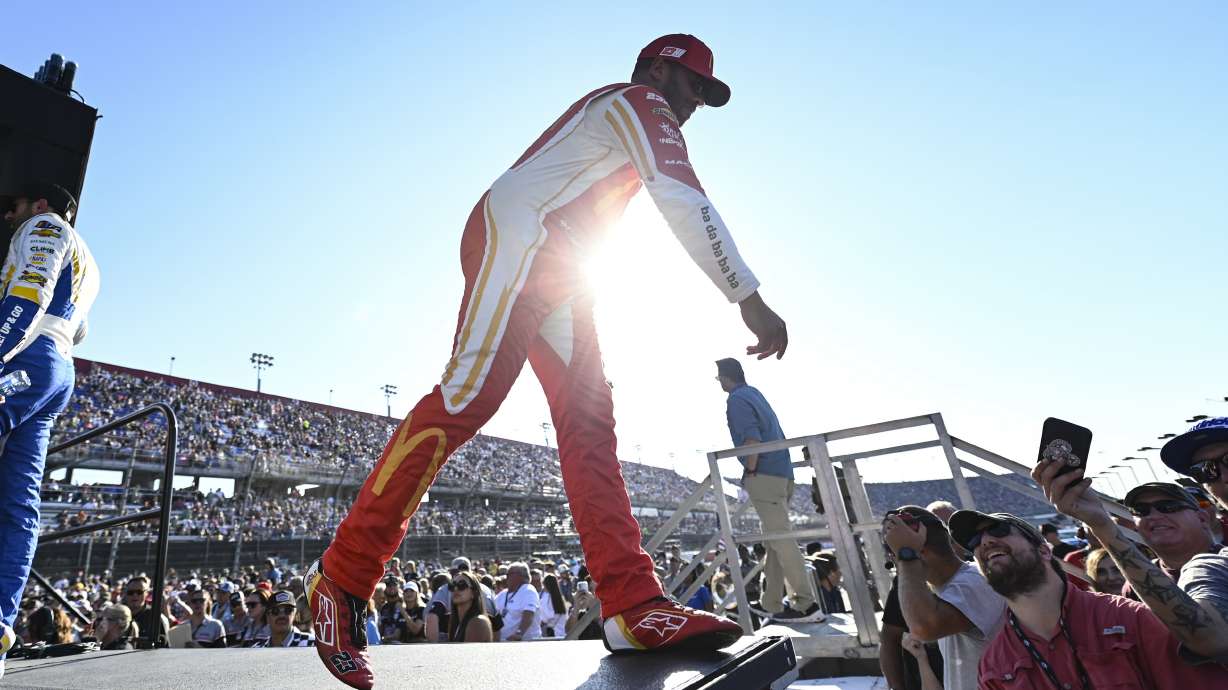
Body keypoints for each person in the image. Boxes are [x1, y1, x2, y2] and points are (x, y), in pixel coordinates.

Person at [305, 32, 779, 687]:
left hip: (558, 257)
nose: (698, 100)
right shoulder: (641, 101)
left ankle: (631, 604)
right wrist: (747, 297)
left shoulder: (637, 111)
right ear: (656, 70)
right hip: (525, 234)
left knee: (590, 419)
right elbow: (681, 194)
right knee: (471, 394)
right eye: (694, 83)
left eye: (707, 91)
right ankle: (343, 579)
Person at [947, 509, 1227, 688]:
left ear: (1044, 551)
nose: (984, 542)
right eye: (974, 543)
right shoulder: (995, 665)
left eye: (998, 531)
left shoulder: (1131, 619)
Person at [0, 181, 100, 672]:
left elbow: (28, 293)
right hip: (60, 367)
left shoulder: (43, 226)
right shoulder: (94, 266)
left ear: (39, 205)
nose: (8, 217)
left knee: (19, 501)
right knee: (20, 500)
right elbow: (79, 330)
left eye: (13, 207)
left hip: (28, 349)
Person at [718, 358, 820, 623]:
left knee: (781, 539)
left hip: (764, 474)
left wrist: (750, 470)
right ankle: (771, 602)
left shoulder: (736, 399)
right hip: (782, 472)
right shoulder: (755, 393)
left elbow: (752, 438)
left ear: (725, 377)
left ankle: (806, 606)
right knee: (773, 540)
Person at [882, 505, 1006, 690]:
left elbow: (924, 628)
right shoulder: (956, 587)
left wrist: (906, 554)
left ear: (921, 552)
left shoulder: (975, 583)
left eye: (895, 559)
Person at [879, 574, 944, 690]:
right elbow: (890, 639)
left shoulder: (970, 577)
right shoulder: (904, 582)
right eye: (891, 555)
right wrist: (896, 686)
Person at [493, 562, 540, 642]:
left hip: (524, 642)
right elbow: (491, 612)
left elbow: (529, 613)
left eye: (509, 573)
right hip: (504, 642)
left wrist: (519, 633)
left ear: (521, 576)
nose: (506, 576)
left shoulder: (528, 590)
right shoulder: (503, 594)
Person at [249, 590, 314, 648]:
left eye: (288, 610)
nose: (282, 615)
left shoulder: (312, 644)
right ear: (267, 617)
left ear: (294, 614)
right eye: (275, 611)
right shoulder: (257, 649)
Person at [123, 576, 169, 648]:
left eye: (139, 592)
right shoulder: (118, 614)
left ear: (146, 594)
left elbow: (163, 645)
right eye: (130, 592)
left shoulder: (154, 617)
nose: (135, 595)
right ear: (125, 594)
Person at [446, 572, 492, 643]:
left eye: (462, 585)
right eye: (452, 585)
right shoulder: (455, 622)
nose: (455, 588)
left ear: (474, 593)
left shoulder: (478, 622)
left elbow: (467, 654)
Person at [539, 574, 568, 638]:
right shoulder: (560, 598)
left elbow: (546, 617)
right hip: (561, 634)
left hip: (550, 635)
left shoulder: (546, 597)